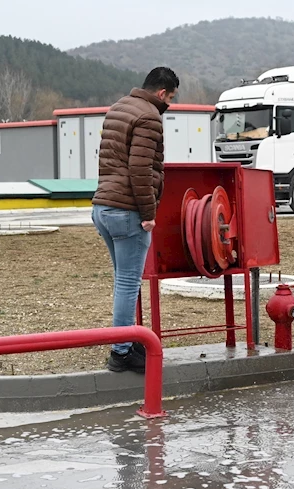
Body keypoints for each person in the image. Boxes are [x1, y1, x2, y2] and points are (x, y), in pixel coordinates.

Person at [92, 67, 179, 373]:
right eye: (171, 97)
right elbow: (140, 169)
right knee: (129, 284)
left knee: (122, 282)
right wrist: (148, 214)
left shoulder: (118, 108)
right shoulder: (149, 117)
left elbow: (108, 159)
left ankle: (125, 342)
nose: (169, 103)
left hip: (103, 207)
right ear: (161, 93)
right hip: (127, 211)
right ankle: (121, 352)